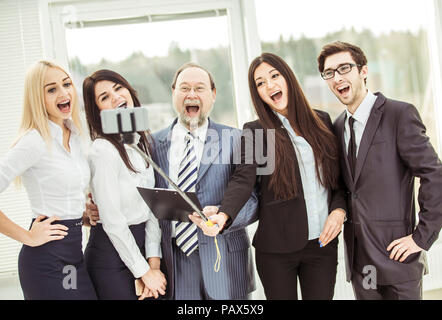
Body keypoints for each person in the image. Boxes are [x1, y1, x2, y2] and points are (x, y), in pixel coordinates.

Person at [86, 62, 258, 300]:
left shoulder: (238, 139)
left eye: (200, 88)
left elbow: (253, 199)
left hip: (226, 260)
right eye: (184, 88)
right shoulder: (150, 145)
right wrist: (94, 209)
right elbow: (143, 200)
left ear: (213, 94)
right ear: (173, 93)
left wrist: (224, 217)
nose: (192, 94)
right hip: (175, 262)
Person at [211, 52, 347, 300]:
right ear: (258, 93)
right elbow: (243, 178)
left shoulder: (323, 122)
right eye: (260, 83)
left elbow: (338, 182)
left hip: (322, 246)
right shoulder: (256, 132)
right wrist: (223, 214)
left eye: (274, 75)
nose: (269, 85)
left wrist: (339, 211)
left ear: (288, 78)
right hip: (276, 251)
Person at [317, 41, 442, 300]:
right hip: (362, 265)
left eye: (344, 68)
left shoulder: (399, 114)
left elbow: (434, 175)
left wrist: (421, 237)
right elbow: (346, 186)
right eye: (330, 73)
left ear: (363, 70)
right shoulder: (338, 126)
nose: (337, 77)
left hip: (399, 259)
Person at [0, 60, 97, 300]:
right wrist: (28, 236)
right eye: (51, 89)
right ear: (37, 98)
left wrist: (82, 216)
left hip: (73, 255)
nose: (64, 93)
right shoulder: (33, 141)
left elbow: (62, 191)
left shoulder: (74, 136)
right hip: (47, 261)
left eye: (66, 84)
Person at [82, 69, 166, 300]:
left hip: (141, 251)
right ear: (97, 112)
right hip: (111, 256)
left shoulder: (142, 143)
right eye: (104, 97)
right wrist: (143, 271)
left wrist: (154, 263)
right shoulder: (102, 151)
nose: (116, 97)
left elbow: (152, 208)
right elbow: (113, 222)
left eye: (119, 89)